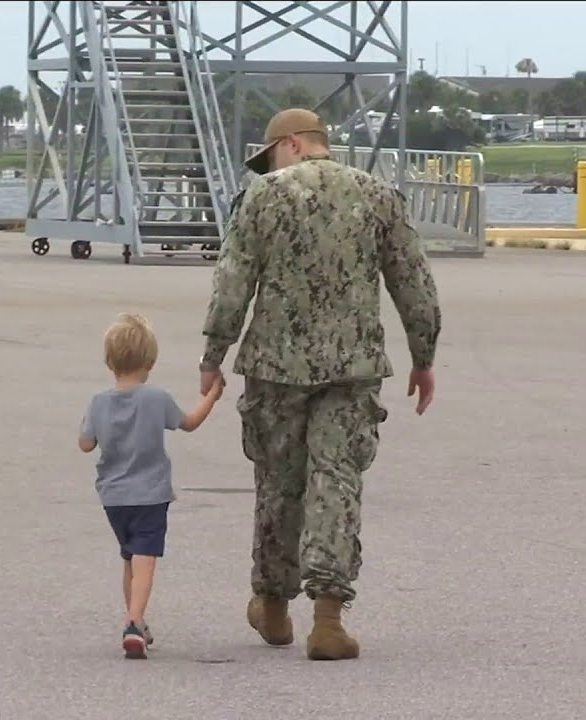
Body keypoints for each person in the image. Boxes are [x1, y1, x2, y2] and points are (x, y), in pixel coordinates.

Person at [197, 108, 442, 661]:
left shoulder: (262, 199)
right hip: (352, 369)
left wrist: (213, 354)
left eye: (270, 157)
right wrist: (423, 358)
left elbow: (232, 282)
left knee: (278, 484)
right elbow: (414, 282)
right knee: (337, 482)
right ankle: (328, 620)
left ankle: (273, 606)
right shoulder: (377, 195)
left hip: (275, 368)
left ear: (289, 145)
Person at [79, 312, 225, 659]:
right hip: (151, 495)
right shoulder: (157, 398)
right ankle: (134, 621)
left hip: (113, 498)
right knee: (146, 560)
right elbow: (188, 423)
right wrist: (213, 397)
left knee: (130, 558)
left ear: (108, 360)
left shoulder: (98, 402)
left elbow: (85, 444)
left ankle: (136, 621)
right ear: (151, 361)